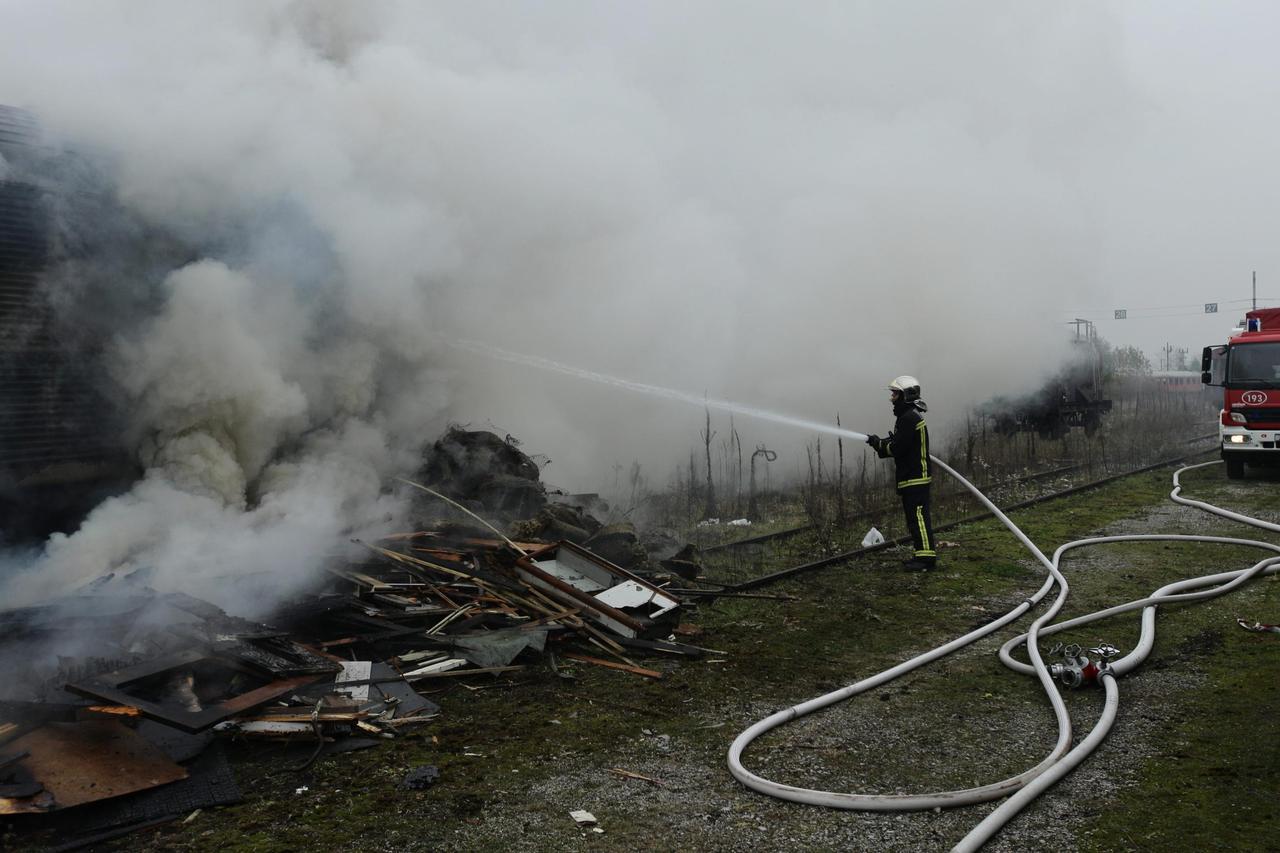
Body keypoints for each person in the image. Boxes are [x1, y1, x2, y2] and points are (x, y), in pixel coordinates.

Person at [866, 375, 936, 571]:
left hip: (915, 478)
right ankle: (921, 556)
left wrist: (878, 444)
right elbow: (900, 444)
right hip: (911, 477)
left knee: (919, 519)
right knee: (915, 520)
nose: (892, 398)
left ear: (906, 395)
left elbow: (897, 448)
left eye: (895, 394)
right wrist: (882, 444)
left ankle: (926, 560)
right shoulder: (908, 418)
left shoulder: (909, 419)